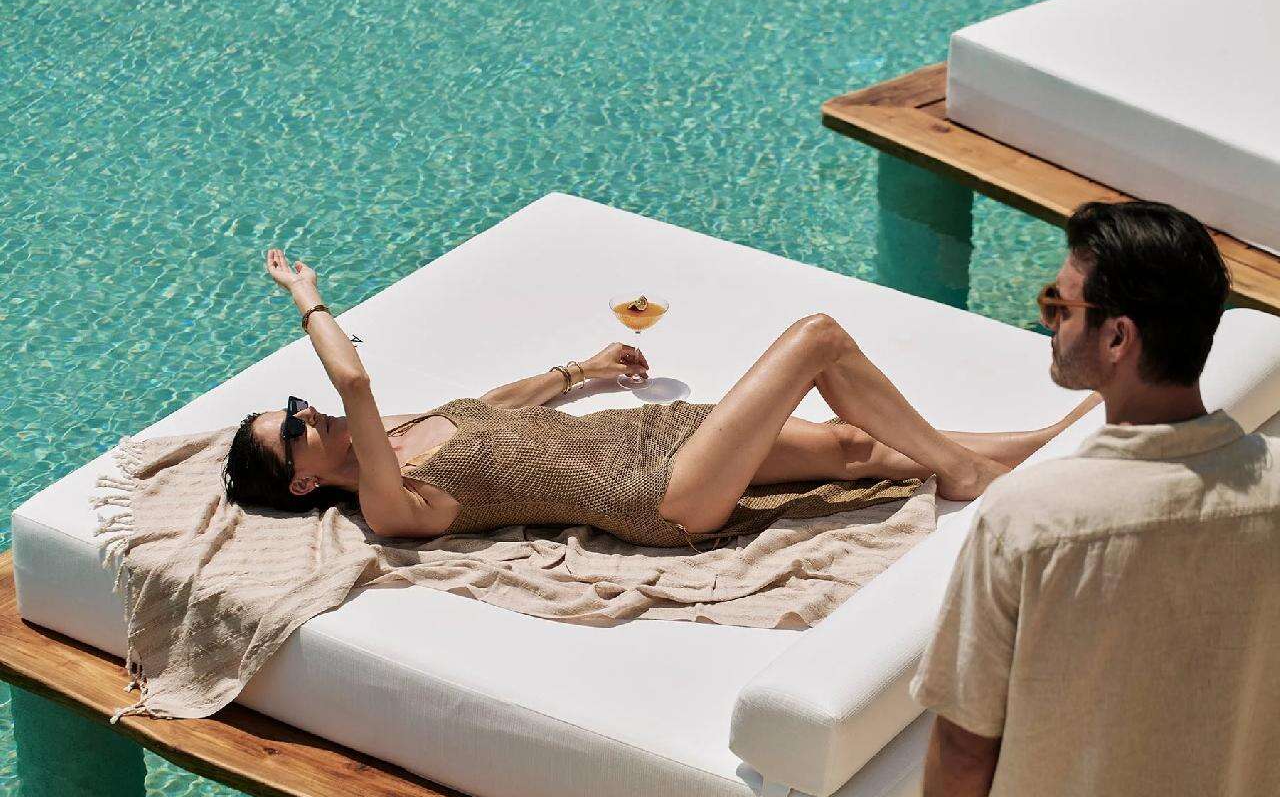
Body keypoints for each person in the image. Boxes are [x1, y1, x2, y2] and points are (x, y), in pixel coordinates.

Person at [223, 248, 1097, 550]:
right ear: (303, 481)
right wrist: (306, 296)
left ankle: (1059, 441)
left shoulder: (405, 431)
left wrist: (582, 370)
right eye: (293, 428)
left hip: (655, 431)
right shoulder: (387, 503)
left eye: (293, 403)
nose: (308, 412)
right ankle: (969, 476)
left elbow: (493, 405)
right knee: (817, 338)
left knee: (853, 448)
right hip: (654, 495)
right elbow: (354, 379)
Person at [910, 201, 1280, 797]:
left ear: (1116, 337)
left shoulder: (1030, 519)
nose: (1050, 322)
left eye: (1060, 306)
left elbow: (964, 747)